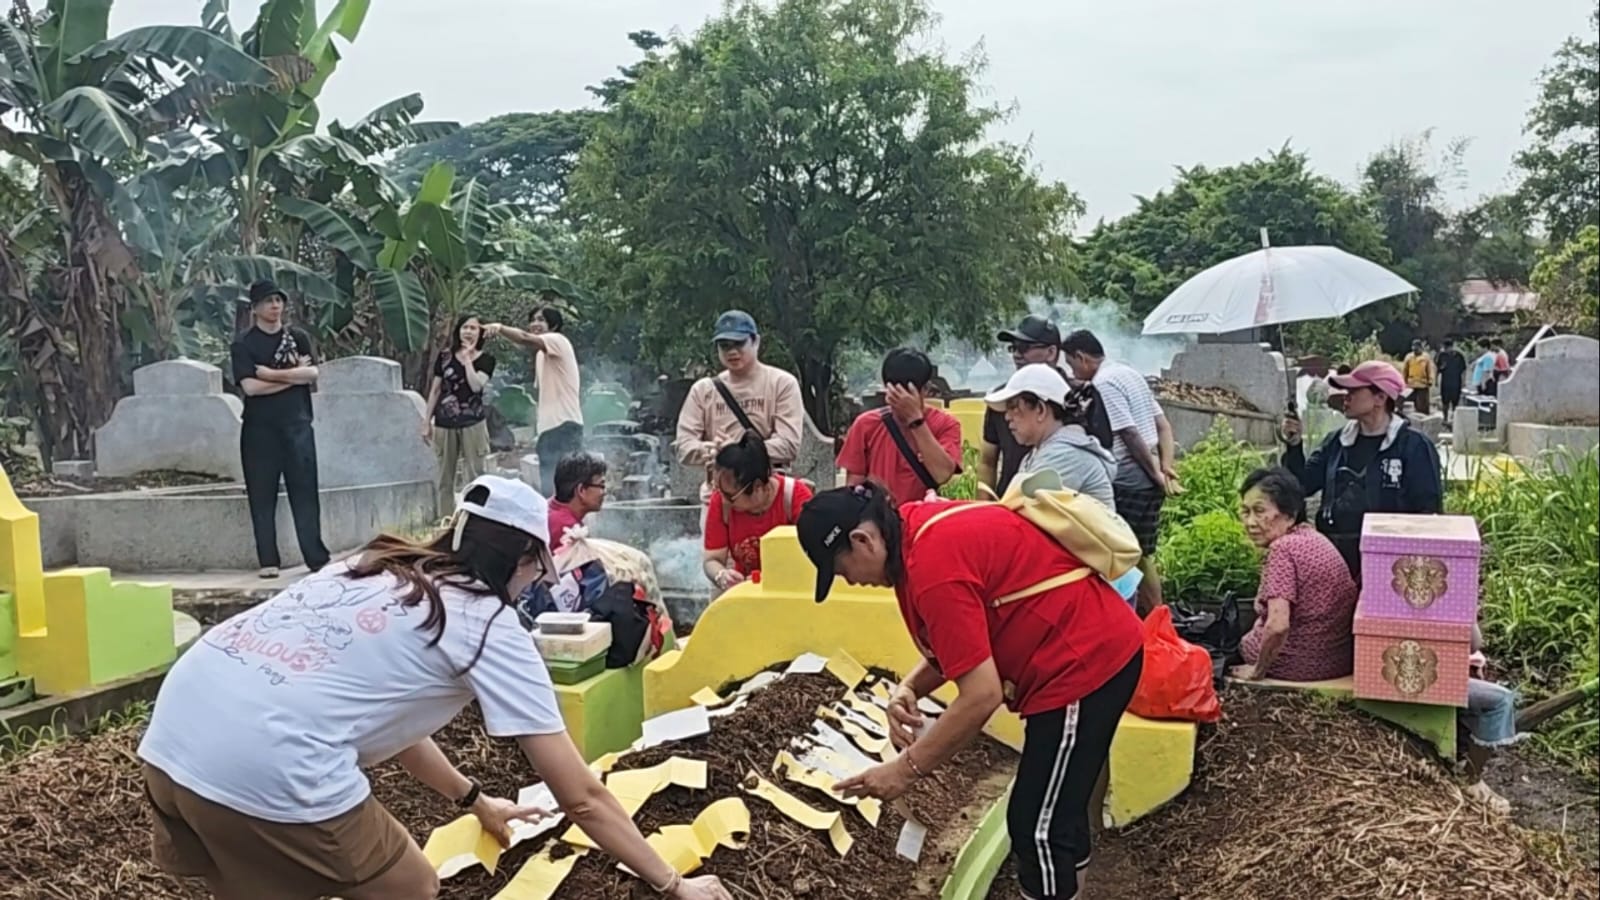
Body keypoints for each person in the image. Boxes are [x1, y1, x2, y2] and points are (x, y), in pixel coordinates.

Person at [137, 476, 730, 900]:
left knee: (250, 878)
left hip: (173, 739)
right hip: (270, 760)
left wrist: (475, 801)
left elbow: (389, 719)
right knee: (412, 884)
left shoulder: (372, 563)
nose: (532, 587)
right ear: (521, 558)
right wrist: (673, 883)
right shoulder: (488, 624)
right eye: (534, 571)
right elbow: (580, 796)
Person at [797, 483, 1143, 900]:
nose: (849, 581)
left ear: (862, 540)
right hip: (1083, 655)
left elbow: (981, 695)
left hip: (1083, 663)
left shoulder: (931, 569)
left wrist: (904, 771)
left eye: (841, 569)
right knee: (1055, 813)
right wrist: (909, 686)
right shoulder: (915, 532)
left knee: (1036, 824)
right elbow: (963, 639)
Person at [1279, 360, 1443, 579]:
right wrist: (1294, 446)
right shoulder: (1336, 442)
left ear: (1380, 397)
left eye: (1354, 390)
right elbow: (1301, 486)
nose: (1346, 397)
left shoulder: (1414, 447)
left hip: (1389, 562)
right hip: (1333, 557)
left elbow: (1429, 513)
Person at [1061, 329, 1179, 615]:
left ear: (1081, 357)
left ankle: (1147, 618)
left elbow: (1129, 433)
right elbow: (1162, 425)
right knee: (1142, 553)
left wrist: (1156, 475)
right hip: (1148, 477)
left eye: (1071, 363)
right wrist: (1166, 465)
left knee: (1127, 553)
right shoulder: (1129, 373)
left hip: (1130, 480)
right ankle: (1155, 617)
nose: (1072, 370)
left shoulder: (1104, 383)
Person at [231, 280, 330, 579]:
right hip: (259, 430)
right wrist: (293, 376)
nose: (275, 306)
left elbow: (312, 374)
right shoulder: (244, 344)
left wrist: (272, 374)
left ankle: (315, 557)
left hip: (298, 425)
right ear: (255, 308)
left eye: (278, 300)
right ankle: (268, 560)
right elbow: (250, 387)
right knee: (262, 494)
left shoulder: (297, 338)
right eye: (268, 301)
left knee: (305, 491)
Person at [1228, 467, 1358, 682]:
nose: (1250, 522)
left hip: (1299, 663)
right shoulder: (1313, 537)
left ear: (1289, 515)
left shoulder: (1282, 550)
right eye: (1245, 511)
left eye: (1259, 511)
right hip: (1336, 660)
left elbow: (1278, 625)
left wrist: (1257, 671)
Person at [674, 310, 805, 504]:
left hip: (767, 492)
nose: (732, 351)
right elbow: (684, 447)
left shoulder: (782, 384)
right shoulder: (703, 390)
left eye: (739, 343)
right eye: (724, 345)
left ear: (756, 342)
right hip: (719, 494)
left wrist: (736, 451)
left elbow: (788, 445)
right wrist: (713, 451)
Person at [838, 348, 963, 505]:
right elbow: (854, 486)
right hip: (880, 517)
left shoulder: (946, 424)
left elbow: (942, 474)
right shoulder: (865, 424)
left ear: (925, 390)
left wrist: (916, 420)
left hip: (921, 515)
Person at [984, 363, 1116, 509]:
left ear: (1040, 410)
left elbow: (1022, 514)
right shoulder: (1041, 452)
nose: (1007, 417)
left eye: (1014, 407)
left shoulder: (1064, 455)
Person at [485, 303, 582, 496]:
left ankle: (571, 525)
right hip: (549, 429)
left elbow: (524, 338)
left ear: (553, 326)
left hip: (564, 426)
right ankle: (558, 525)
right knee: (551, 488)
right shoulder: (541, 355)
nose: (535, 324)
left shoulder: (557, 340)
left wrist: (500, 328)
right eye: (533, 320)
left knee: (565, 486)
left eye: (541, 320)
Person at [701, 431, 813, 591]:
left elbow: (815, 555)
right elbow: (712, 560)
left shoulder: (794, 496)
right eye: (719, 491)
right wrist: (722, 575)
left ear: (758, 487)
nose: (723, 500)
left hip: (791, 590)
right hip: (746, 591)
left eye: (731, 496)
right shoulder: (721, 501)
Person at [979, 315, 1068, 495]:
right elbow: (988, 461)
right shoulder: (1000, 398)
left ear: (1051, 352)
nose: (1017, 354)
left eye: (1024, 347)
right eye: (1013, 348)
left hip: (1059, 505)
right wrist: (985, 507)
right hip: (1011, 502)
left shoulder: (1077, 397)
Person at [423, 315, 497, 514]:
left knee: (476, 475)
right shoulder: (445, 356)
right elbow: (436, 390)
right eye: (465, 327)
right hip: (444, 423)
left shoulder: (487, 360)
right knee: (444, 476)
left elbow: (476, 386)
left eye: (474, 328)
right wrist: (426, 421)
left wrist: (467, 361)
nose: (469, 332)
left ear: (480, 332)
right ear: (458, 330)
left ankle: (475, 517)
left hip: (473, 423)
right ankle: (445, 519)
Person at [548, 452, 608, 549]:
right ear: (581, 490)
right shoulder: (568, 531)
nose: (604, 492)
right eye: (601, 485)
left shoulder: (551, 507)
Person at [1435, 339, 1467, 425]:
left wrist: (1464, 382)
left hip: (1456, 382)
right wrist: (1436, 381)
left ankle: (1454, 418)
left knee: (1455, 401)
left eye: (1448, 348)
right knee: (1445, 401)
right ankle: (1445, 418)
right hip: (1445, 383)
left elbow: (1463, 370)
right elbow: (1437, 369)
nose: (1446, 350)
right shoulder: (1442, 356)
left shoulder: (1459, 356)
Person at [1402, 339, 1436, 415]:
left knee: (1422, 407)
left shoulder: (1426, 357)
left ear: (1420, 347)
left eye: (1417, 347)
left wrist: (1430, 380)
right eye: (1414, 347)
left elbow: (1430, 369)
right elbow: (1405, 370)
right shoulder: (1409, 357)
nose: (1415, 349)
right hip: (1411, 385)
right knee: (1407, 406)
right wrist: (1403, 382)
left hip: (1422, 385)